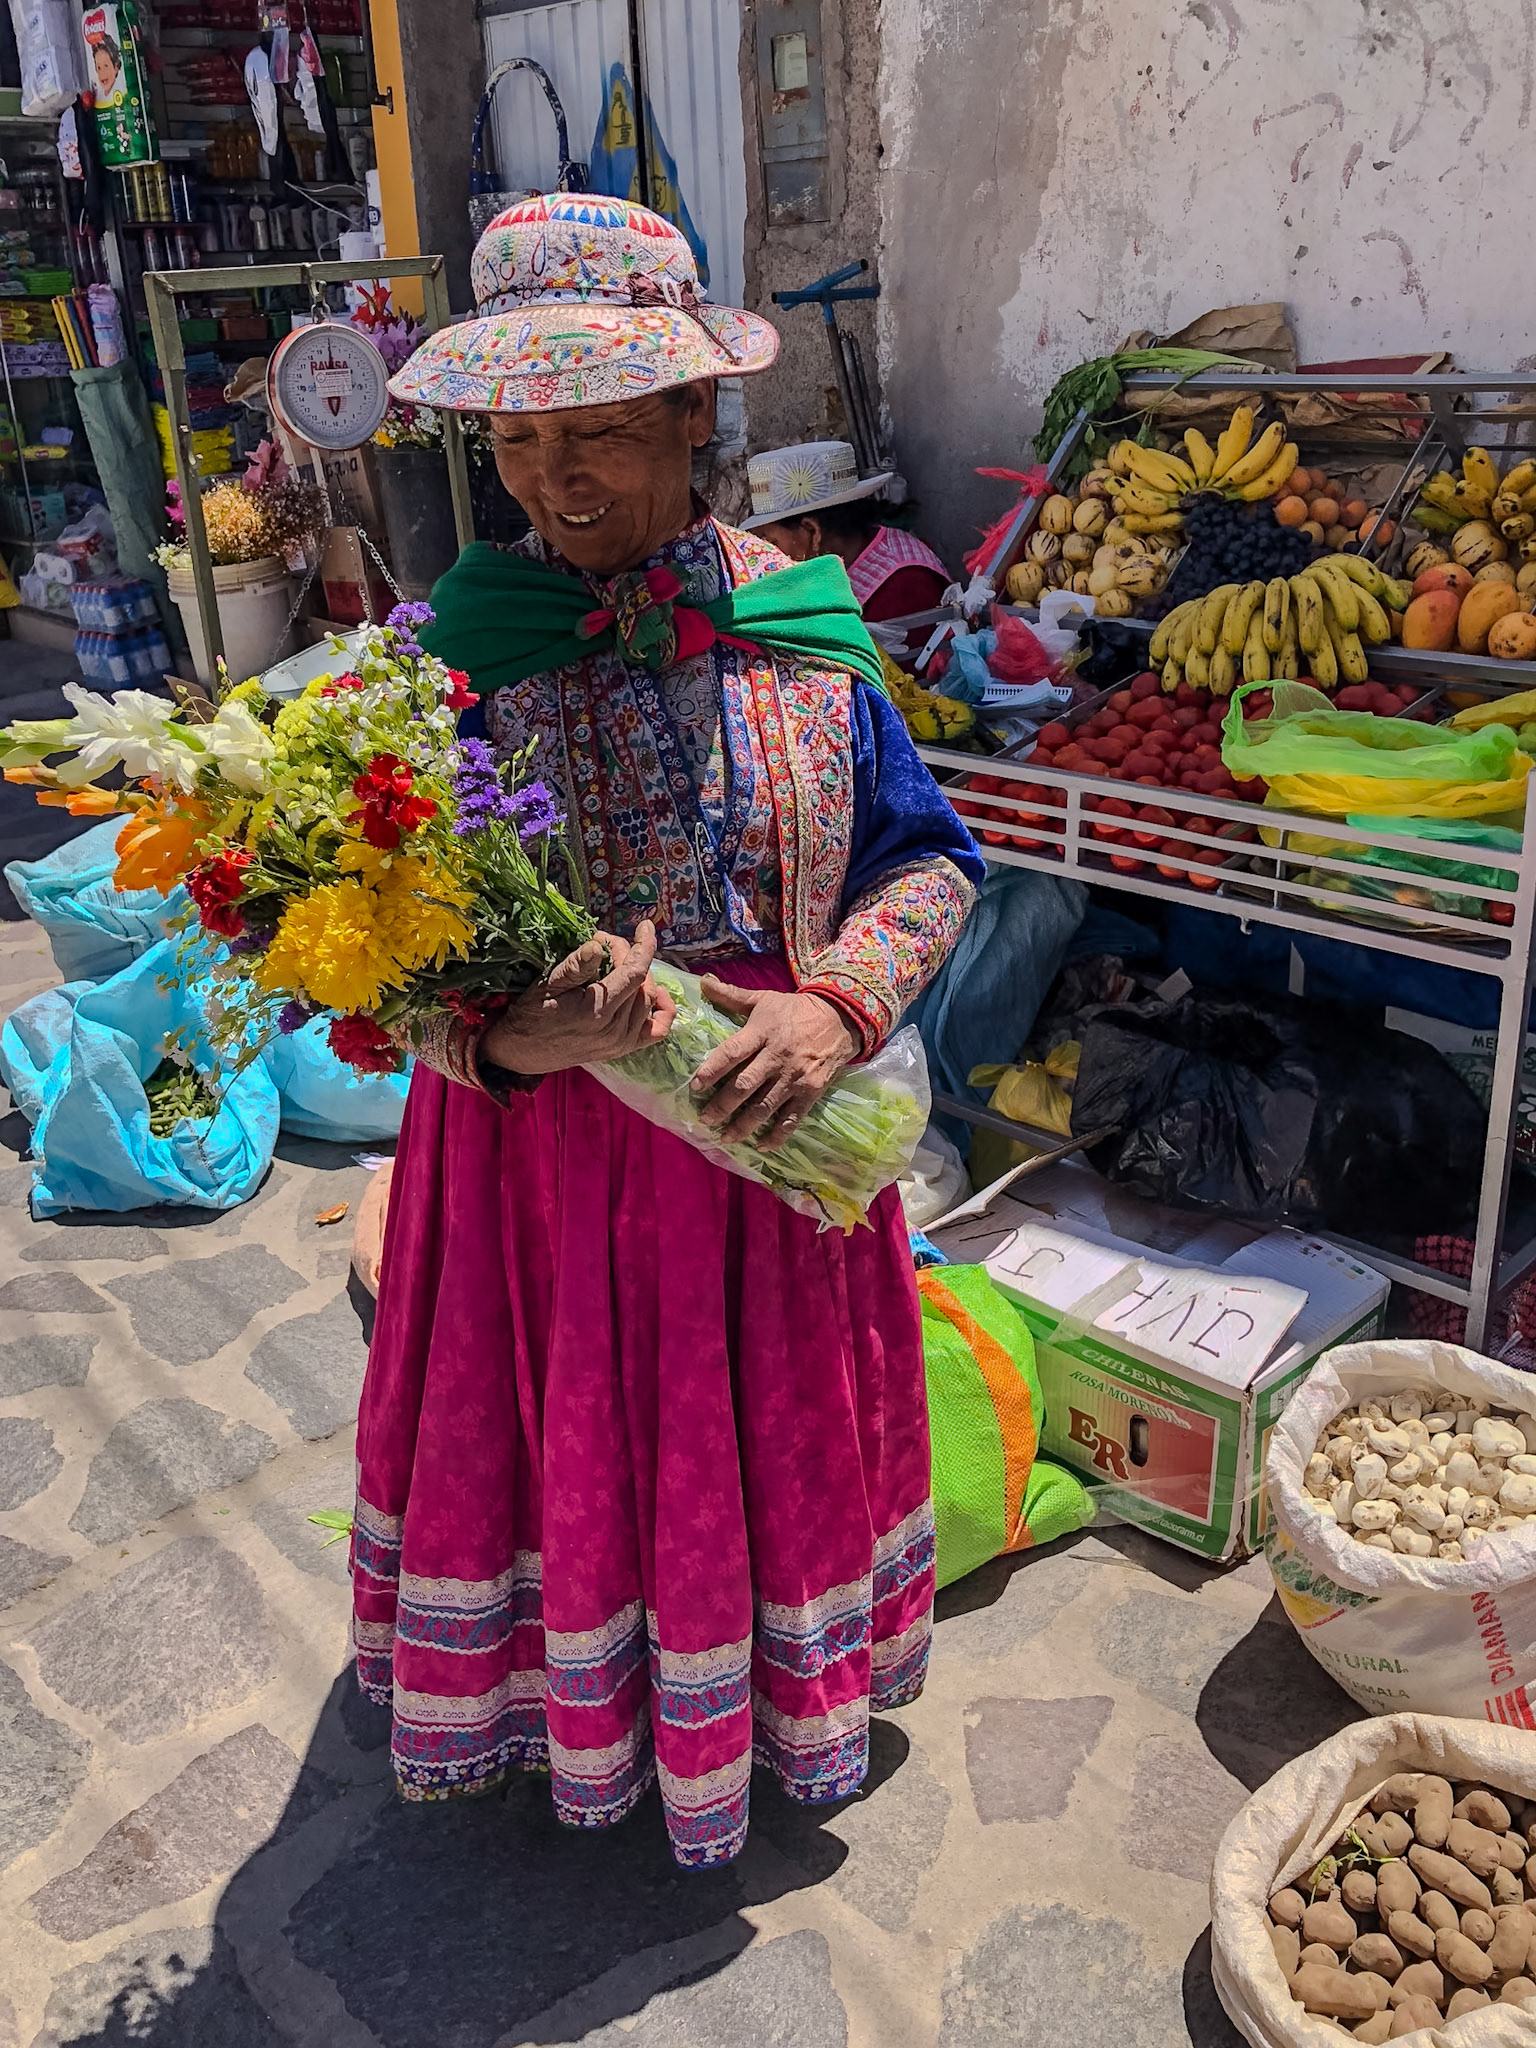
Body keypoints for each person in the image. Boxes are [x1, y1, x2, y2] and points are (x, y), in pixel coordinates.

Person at [351, 193, 984, 1870]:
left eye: (605, 438)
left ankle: (763, 1713)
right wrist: (497, 1036)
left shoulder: (802, 628)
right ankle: (574, 1716)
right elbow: (375, 943)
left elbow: (926, 859)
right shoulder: (457, 662)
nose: (558, 484)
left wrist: (839, 1011)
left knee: (745, 1444)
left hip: (756, 1149)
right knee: (571, 1444)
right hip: (537, 1185)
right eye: (524, 441)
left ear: (701, 416)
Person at [743, 438, 952, 625]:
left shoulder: (901, 585)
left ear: (812, 531)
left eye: (771, 541)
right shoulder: (854, 554)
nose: (766, 553)